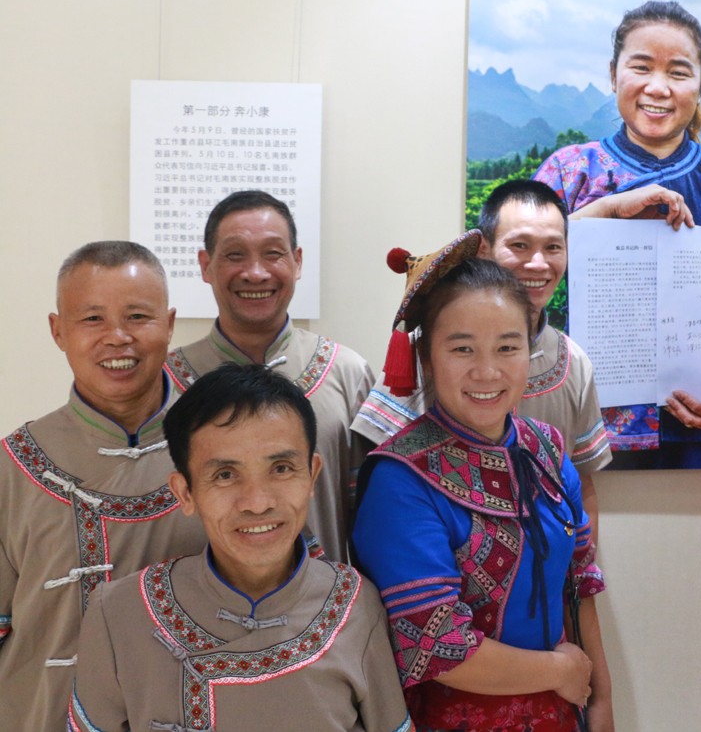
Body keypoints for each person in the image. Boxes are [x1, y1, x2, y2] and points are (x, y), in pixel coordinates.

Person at [66, 363, 411, 732]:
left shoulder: (356, 604)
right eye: (225, 475)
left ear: (311, 475)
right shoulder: (119, 612)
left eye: (281, 468)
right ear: (185, 492)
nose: (257, 502)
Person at [353, 244, 612, 732]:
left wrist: (600, 706)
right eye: (462, 348)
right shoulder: (400, 478)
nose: (487, 371)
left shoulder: (548, 449)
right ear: (426, 358)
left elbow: (579, 586)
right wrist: (561, 670)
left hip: (563, 712)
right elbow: (439, 645)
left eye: (507, 347)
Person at [534, 0, 701, 467]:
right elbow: (511, 268)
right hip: (583, 431)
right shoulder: (570, 172)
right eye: (641, 67)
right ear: (613, 74)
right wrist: (603, 211)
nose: (658, 88)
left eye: (679, 72)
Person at [0, 241, 207, 732]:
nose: (117, 338)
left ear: (170, 324)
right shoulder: (11, 465)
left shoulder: (221, 452)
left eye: (138, 316)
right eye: (92, 319)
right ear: (57, 331)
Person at [353, 180, 612, 534]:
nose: (538, 264)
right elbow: (371, 468)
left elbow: (582, 486)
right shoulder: (433, 348)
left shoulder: (574, 361)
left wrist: (582, 574)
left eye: (553, 247)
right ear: (486, 249)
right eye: (520, 246)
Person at [166, 189, 374, 562]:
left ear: (296, 262)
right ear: (205, 265)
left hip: (327, 607)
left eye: (273, 253)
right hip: (194, 609)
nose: (256, 272)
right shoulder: (163, 382)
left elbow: (375, 516)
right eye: (234, 255)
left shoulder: (348, 374)